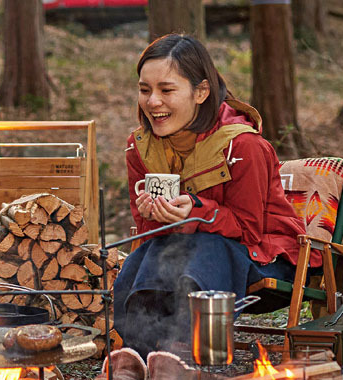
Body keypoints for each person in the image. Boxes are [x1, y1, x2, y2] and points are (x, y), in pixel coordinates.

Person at [111, 34, 306, 362]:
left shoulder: (244, 147)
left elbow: (249, 229)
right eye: (145, 90)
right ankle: (140, 353)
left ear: (201, 92)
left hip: (263, 257)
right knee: (145, 254)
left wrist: (197, 211)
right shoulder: (140, 147)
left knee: (205, 246)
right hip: (186, 252)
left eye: (166, 90)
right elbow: (154, 233)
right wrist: (151, 215)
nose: (152, 101)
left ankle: (187, 352)